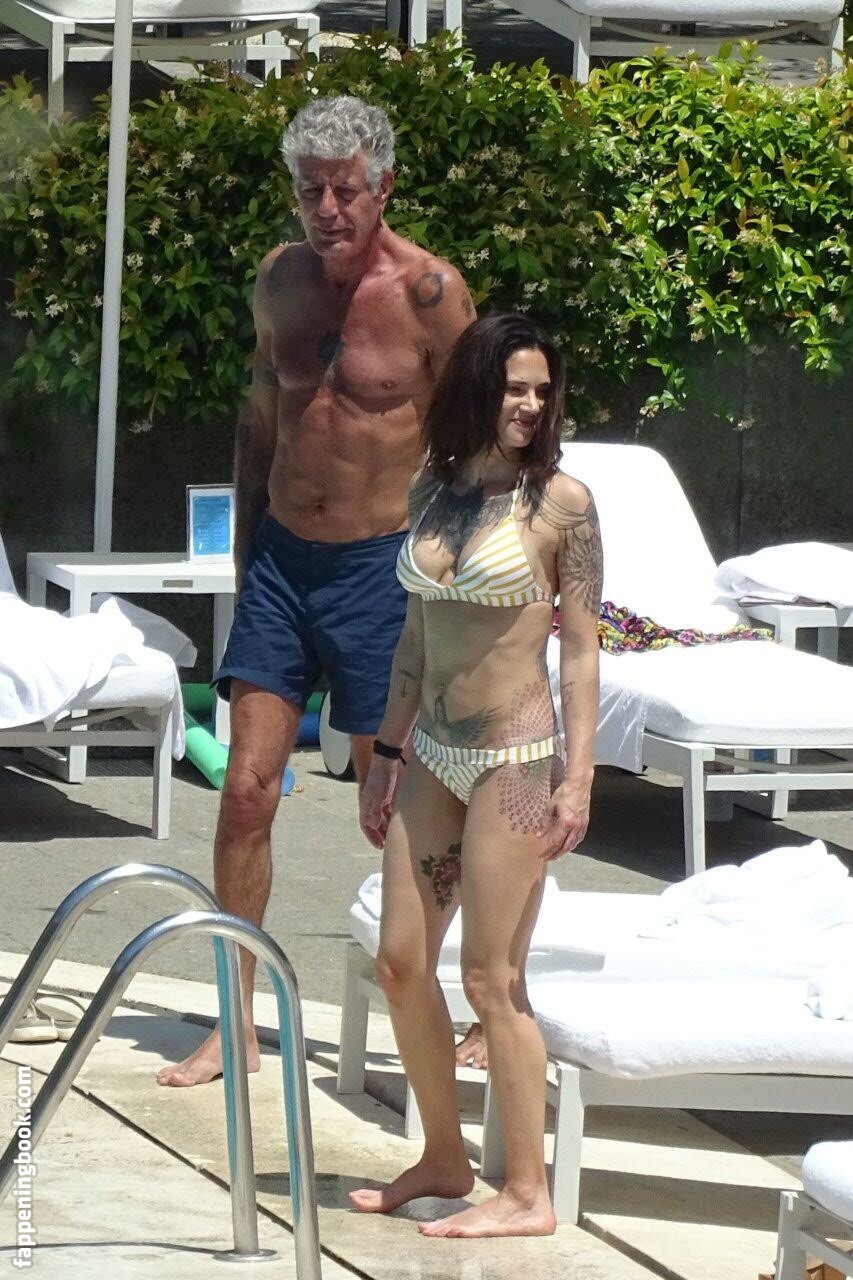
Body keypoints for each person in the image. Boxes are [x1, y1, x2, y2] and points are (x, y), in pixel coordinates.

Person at [157, 95, 474, 1088]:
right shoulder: (278, 280)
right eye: (310, 191)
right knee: (246, 787)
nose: (326, 209)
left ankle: (462, 999)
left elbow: (474, 447)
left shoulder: (430, 294)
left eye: (344, 190)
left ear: (383, 187)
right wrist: (246, 562)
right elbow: (261, 420)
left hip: (382, 573)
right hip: (283, 566)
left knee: (405, 808)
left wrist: (461, 581)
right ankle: (235, 1021)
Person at [349, 314, 602, 1238]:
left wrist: (578, 779)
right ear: (476, 389)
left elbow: (581, 653)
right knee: (399, 963)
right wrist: (383, 754)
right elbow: (414, 638)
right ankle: (443, 1156)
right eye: (513, 387)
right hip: (434, 754)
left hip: (515, 760)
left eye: (541, 390)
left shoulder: (562, 505)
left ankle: (527, 1193)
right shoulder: (432, 488)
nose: (530, 405)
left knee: (492, 978)